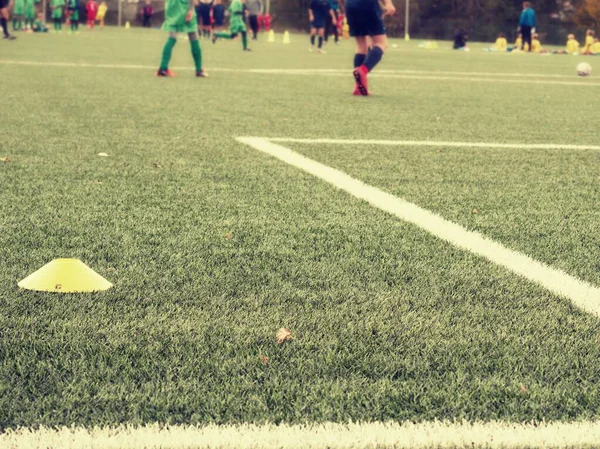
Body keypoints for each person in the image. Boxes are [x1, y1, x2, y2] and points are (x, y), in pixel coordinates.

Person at [343, 0, 395, 96]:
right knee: (381, 43)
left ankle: (358, 87)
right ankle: (363, 70)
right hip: (367, 3)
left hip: (350, 4)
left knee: (361, 45)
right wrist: (388, 3)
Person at [157, 0, 206, 77]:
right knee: (193, 36)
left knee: (172, 37)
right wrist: (191, 9)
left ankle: (163, 68)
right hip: (184, 5)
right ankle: (199, 69)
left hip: (171, 6)